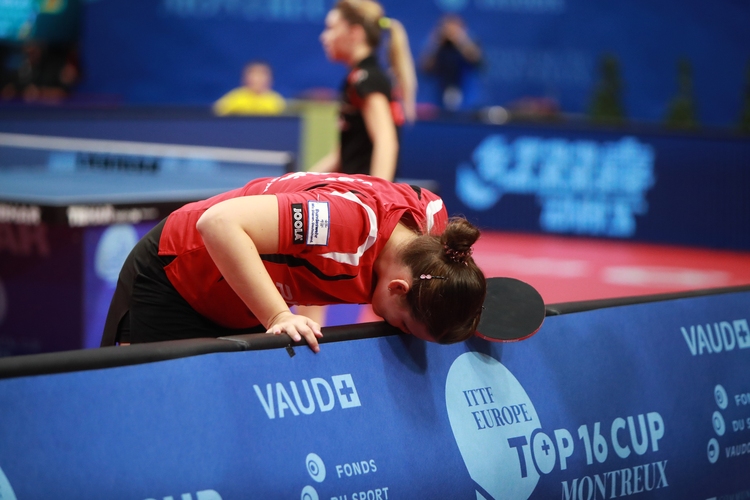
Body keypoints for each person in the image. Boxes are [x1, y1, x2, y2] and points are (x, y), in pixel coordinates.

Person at [101, 172, 486, 353]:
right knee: (152, 410)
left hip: (243, 294)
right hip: (179, 271)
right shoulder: (341, 224)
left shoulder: (435, 232)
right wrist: (278, 317)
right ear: (398, 288)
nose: (396, 328)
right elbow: (218, 223)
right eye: (402, 323)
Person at [310, 0, 418, 181]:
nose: (324, 37)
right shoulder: (356, 79)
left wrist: (376, 200)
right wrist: (296, 180)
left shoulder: (368, 79)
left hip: (363, 201)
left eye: (331, 28)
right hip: (352, 194)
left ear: (355, 33)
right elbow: (340, 157)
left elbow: (386, 142)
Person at [420, 14, 483, 112]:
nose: (450, 32)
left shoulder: (470, 43)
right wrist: (437, 41)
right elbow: (425, 68)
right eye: (446, 28)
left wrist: (460, 40)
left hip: (468, 104)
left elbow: (478, 62)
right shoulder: (436, 45)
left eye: (455, 28)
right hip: (437, 102)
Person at [212, 61, 286, 116]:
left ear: (270, 79)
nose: (258, 79)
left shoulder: (276, 100)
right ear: (244, 78)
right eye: (253, 74)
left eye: (262, 74)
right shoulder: (235, 97)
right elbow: (217, 112)